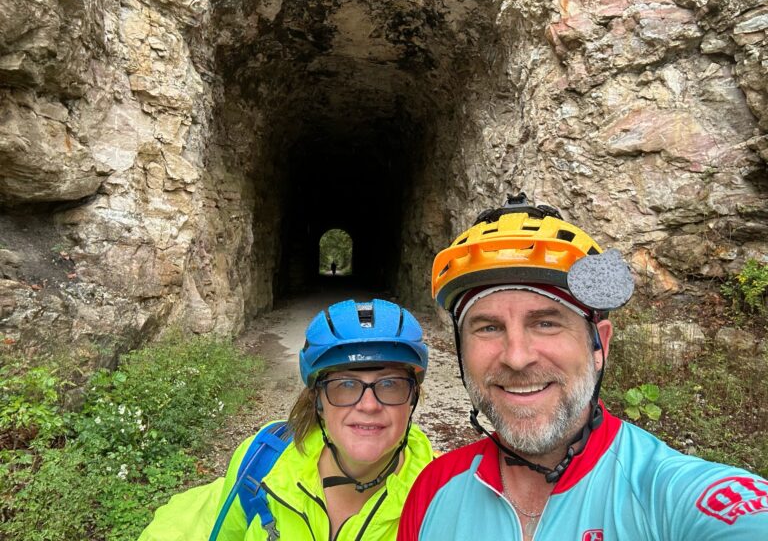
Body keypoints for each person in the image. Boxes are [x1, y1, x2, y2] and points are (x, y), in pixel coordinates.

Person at [398, 194, 768, 541]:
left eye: (546, 323)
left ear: (599, 346)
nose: (516, 356)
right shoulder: (433, 488)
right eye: (489, 327)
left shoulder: (667, 494)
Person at [139, 298, 433, 541]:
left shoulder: (445, 497)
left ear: (412, 399)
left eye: (390, 384)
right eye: (345, 385)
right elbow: (195, 526)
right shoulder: (263, 464)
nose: (368, 405)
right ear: (318, 401)